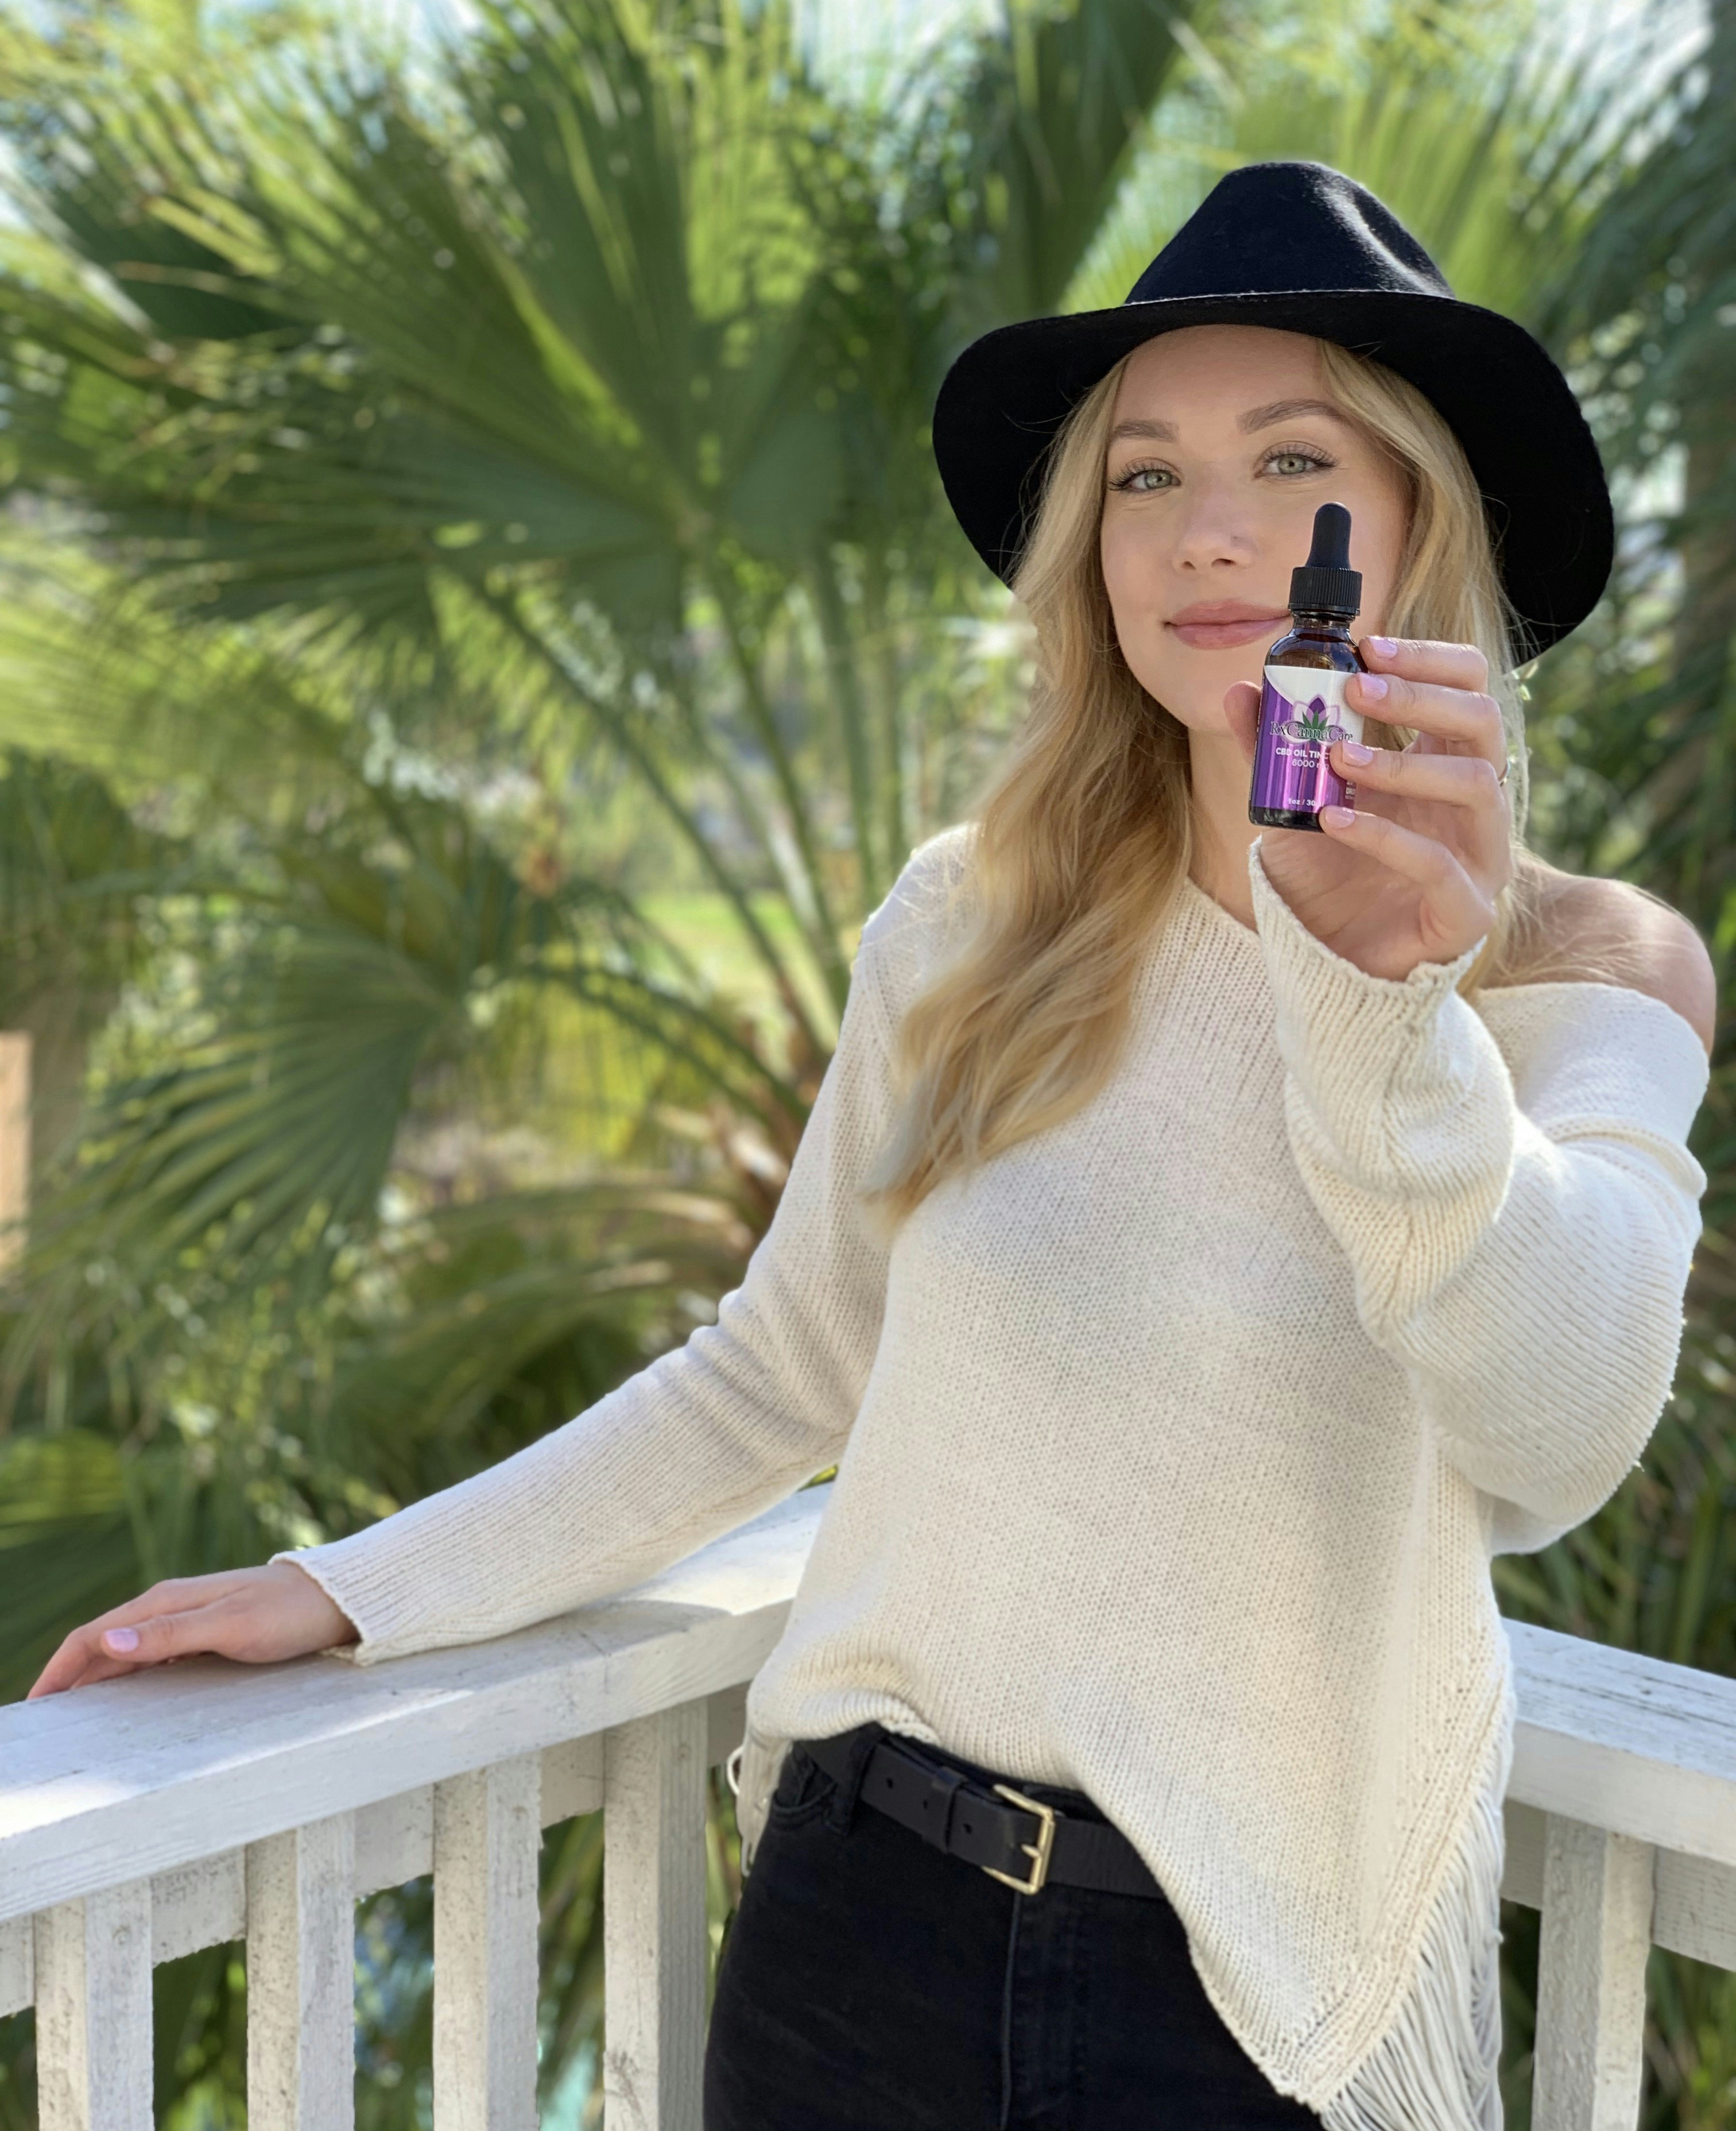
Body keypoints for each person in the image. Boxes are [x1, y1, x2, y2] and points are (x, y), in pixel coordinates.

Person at [28, 162, 1716, 2131]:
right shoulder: (975, 918)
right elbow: (775, 1372)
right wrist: (356, 1588)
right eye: (1145, 479)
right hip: (855, 1930)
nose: (1210, 531)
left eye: (1292, 458)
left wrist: (1379, 1007)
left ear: (1419, 517)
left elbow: (1560, 1434)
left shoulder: (1585, 970)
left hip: (1253, 2011)